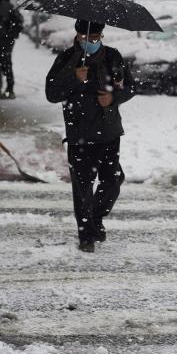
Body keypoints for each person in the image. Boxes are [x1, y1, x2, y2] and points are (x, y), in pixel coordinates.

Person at [45, 19, 135, 253]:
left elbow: (131, 87)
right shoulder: (66, 59)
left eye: (97, 38)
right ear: (78, 36)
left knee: (113, 180)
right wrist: (74, 79)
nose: (93, 43)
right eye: (88, 38)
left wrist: (113, 98)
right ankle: (86, 233)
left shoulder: (113, 57)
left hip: (109, 132)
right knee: (82, 188)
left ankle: (95, 217)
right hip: (80, 134)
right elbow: (51, 93)